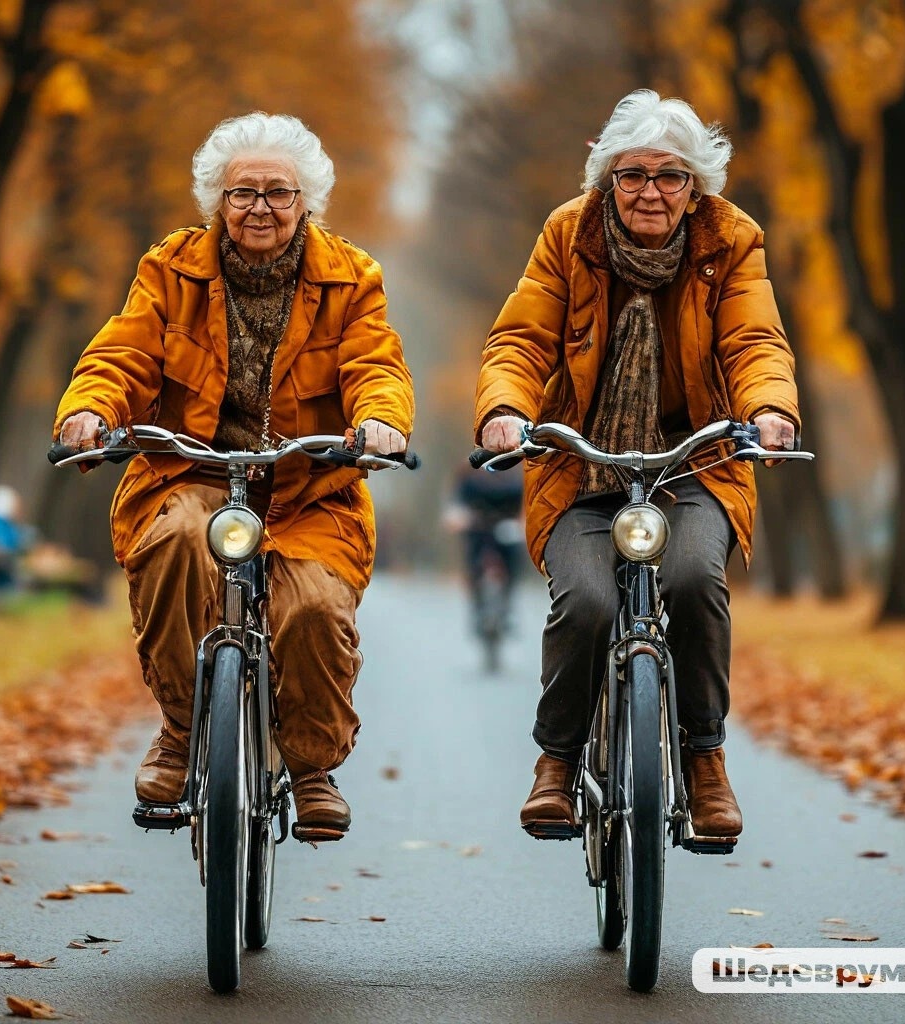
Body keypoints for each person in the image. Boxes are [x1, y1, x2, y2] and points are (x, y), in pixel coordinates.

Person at [54, 112, 415, 843]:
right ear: (216, 200)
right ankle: (182, 730)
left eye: (278, 193)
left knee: (313, 607)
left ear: (306, 200)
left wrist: (380, 421)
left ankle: (311, 765)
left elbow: (376, 364)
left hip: (311, 489)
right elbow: (121, 355)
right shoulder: (170, 268)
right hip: (191, 472)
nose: (260, 208)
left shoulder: (353, 277)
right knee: (178, 541)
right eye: (243, 192)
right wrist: (90, 410)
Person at [473, 89, 799, 842]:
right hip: (580, 466)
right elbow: (521, 337)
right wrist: (505, 412)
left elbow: (755, 339)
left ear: (696, 188)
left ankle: (705, 762)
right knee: (585, 602)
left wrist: (770, 409)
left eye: (669, 176)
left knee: (691, 579)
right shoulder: (568, 234)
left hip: (694, 464)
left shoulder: (731, 241)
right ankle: (555, 763)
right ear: (606, 181)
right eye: (632, 175)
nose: (649, 190)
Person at [442, 462, 524, 634]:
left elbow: (523, 509)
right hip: (478, 530)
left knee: (512, 559)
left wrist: (522, 523)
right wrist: (459, 519)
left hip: (504, 529)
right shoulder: (468, 479)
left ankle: (507, 603)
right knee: (474, 561)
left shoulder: (514, 478)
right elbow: (456, 508)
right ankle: (477, 604)